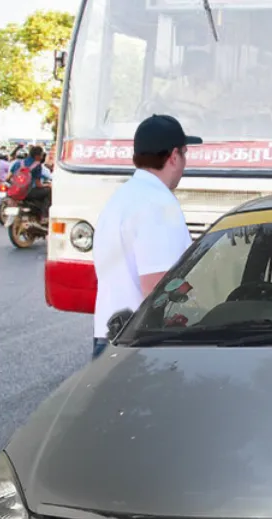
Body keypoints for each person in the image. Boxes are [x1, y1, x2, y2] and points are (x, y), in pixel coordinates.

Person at [92, 115, 202, 359]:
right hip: (144, 346)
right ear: (174, 156)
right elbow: (158, 286)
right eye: (185, 153)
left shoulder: (122, 197)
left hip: (111, 337)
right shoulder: (159, 204)